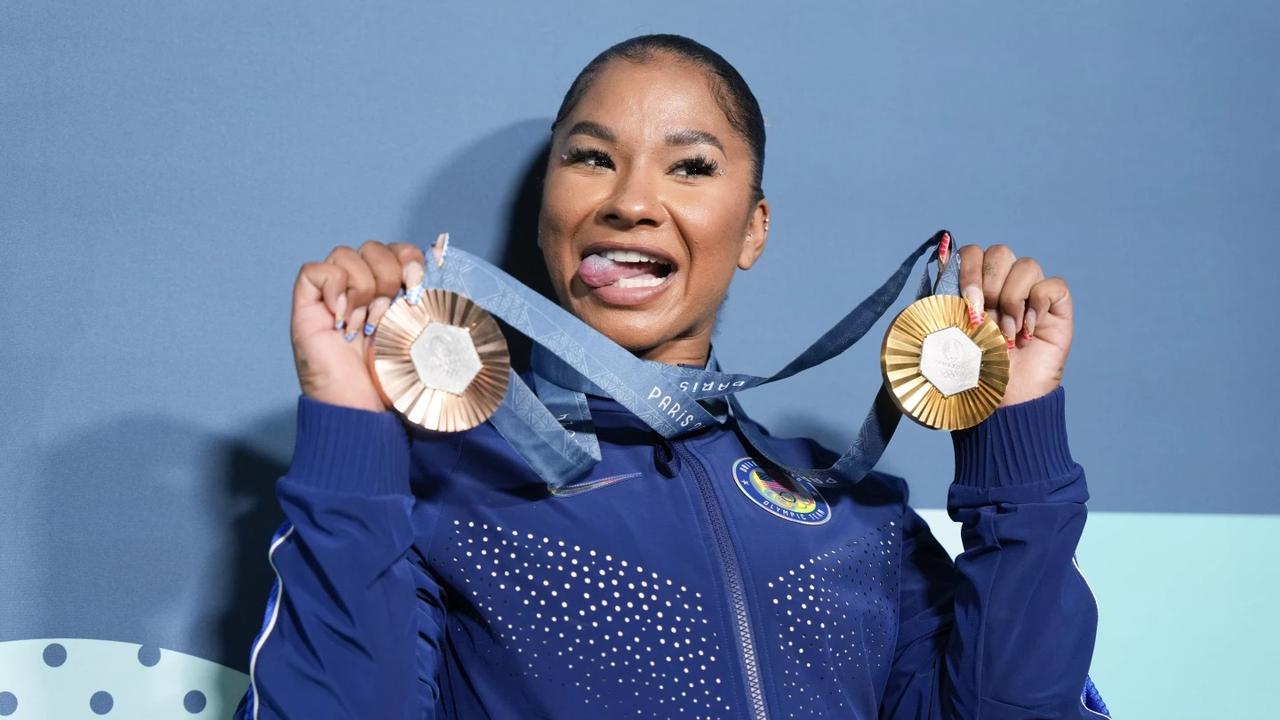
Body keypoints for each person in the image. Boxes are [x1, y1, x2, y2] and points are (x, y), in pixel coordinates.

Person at [236, 34, 1108, 719]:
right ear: (547, 210)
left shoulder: (861, 522)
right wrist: (352, 433)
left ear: (754, 229)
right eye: (589, 158)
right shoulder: (436, 489)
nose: (630, 200)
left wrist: (1014, 441)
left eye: (691, 166)